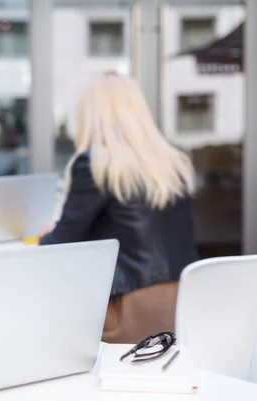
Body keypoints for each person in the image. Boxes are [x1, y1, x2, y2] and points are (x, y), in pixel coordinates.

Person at [37, 71, 199, 344]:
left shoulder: (95, 165)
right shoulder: (171, 164)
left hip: (127, 309)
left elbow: (61, 244)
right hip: (184, 306)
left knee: (39, 318)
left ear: (91, 116)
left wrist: (42, 237)